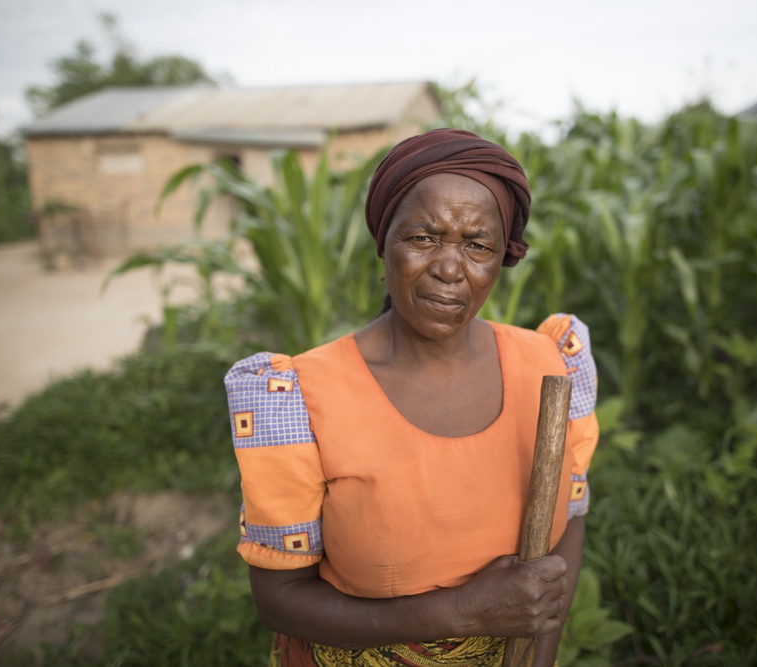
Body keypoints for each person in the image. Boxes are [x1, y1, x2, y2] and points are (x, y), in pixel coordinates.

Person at [225, 128, 599, 667]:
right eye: (424, 238)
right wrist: (462, 613)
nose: (450, 268)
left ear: (502, 258)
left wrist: (539, 657)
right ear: (384, 242)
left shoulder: (552, 366)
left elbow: (571, 522)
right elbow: (280, 600)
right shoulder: (298, 397)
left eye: (477, 245)